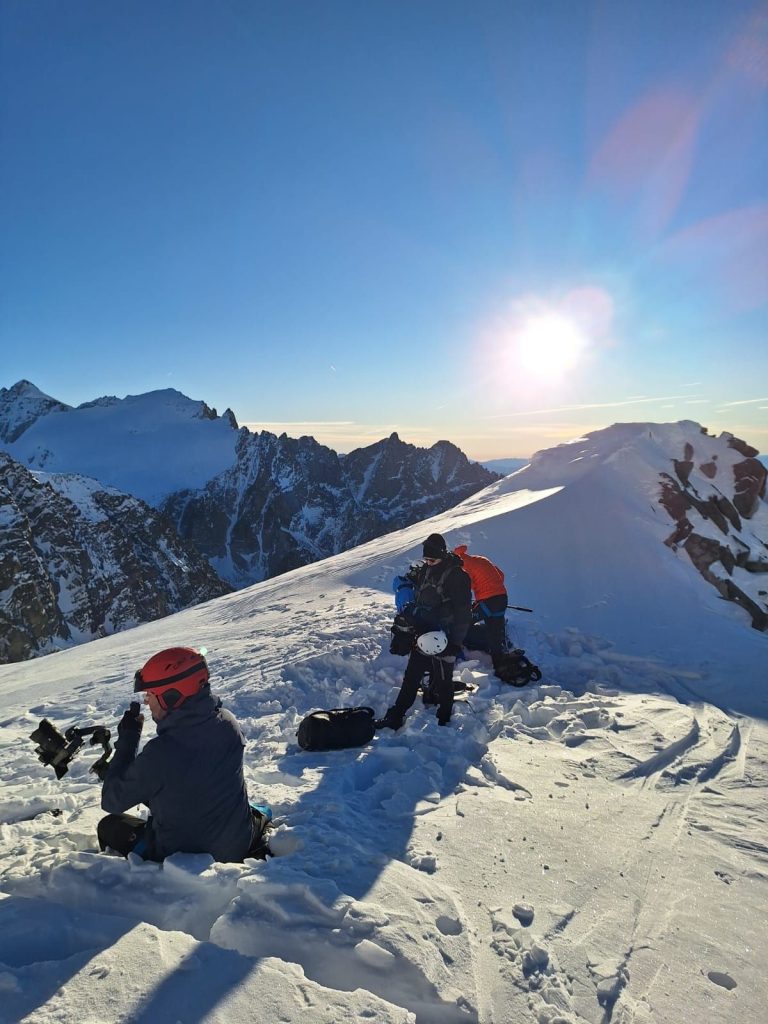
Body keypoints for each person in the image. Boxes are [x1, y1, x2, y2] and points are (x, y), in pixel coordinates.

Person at [97, 647, 262, 862]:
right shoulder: (228, 722)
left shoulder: (161, 753)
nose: (146, 701)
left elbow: (112, 801)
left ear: (171, 697)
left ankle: (135, 879)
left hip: (185, 859)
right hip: (238, 842)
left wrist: (128, 742)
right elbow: (188, 773)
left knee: (108, 826)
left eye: (151, 694)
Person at [377, 533, 471, 729]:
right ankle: (396, 716)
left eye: (432, 560)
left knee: (444, 680)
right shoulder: (426, 570)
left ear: (442, 554)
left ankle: (444, 719)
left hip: (445, 637)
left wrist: (456, 643)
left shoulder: (457, 576)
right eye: (426, 559)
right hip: (423, 634)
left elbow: (463, 613)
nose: (428, 563)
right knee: (412, 676)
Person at [453, 544, 508, 675]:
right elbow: (500, 574)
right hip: (502, 598)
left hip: (488, 601)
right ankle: (500, 667)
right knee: (495, 633)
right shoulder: (481, 559)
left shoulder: (463, 567)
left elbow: (467, 587)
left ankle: (457, 654)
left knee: (464, 622)